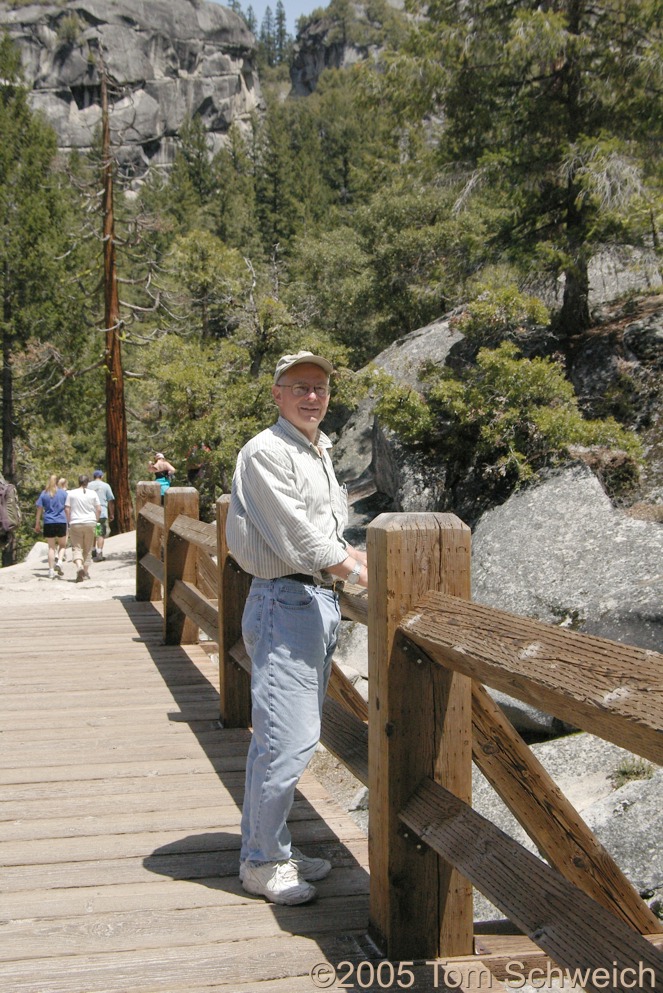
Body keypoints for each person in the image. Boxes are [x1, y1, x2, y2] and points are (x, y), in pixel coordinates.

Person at [226, 350, 368, 907]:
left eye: (321, 388)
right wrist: (362, 573)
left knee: (295, 733)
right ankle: (262, 861)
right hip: (286, 599)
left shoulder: (316, 448)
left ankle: (272, 843)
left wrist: (348, 557)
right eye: (300, 387)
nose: (313, 396)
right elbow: (297, 539)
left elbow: (323, 527)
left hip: (312, 600)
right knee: (285, 738)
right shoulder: (265, 451)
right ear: (277, 394)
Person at [65, 475, 101, 582]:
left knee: (77, 547)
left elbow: (67, 509)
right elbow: (98, 509)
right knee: (88, 548)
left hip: (75, 522)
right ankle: (85, 572)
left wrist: (69, 521)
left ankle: (79, 566)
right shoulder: (93, 493)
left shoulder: (71, 493)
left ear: (78, 482)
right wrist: (96, 520)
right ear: (87, 483)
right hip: (90, 522)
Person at [34, 474, 68, 579]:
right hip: (61, 521)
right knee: (62, 545)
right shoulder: (63, 493)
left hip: (48, 522)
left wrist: (37, 523)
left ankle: (51, 570)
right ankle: (60, 562)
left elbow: (39, 509)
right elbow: (67, 508)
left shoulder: (44, 494)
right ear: (58, 482)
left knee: (51, 548)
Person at [88, 469, 115, 561]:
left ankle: (93, 550)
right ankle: (99, 552)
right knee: (100, 533)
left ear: (94, 477)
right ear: (102, 477)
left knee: (92, 532)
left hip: (90, 512)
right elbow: (110, 500)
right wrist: (111, 513)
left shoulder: (88, 485)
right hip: (102, 512)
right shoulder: (106, 486)